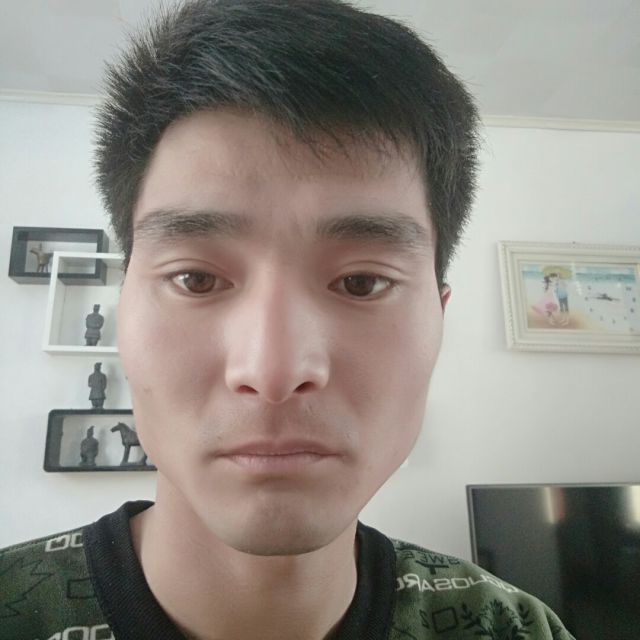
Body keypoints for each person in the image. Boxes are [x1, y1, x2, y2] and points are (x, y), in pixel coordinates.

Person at [0, 1, 575, 639]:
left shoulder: (514, 628)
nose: (273, 371)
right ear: (123, 309)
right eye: (195, 279)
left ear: (439, 320)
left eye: (361, 282)